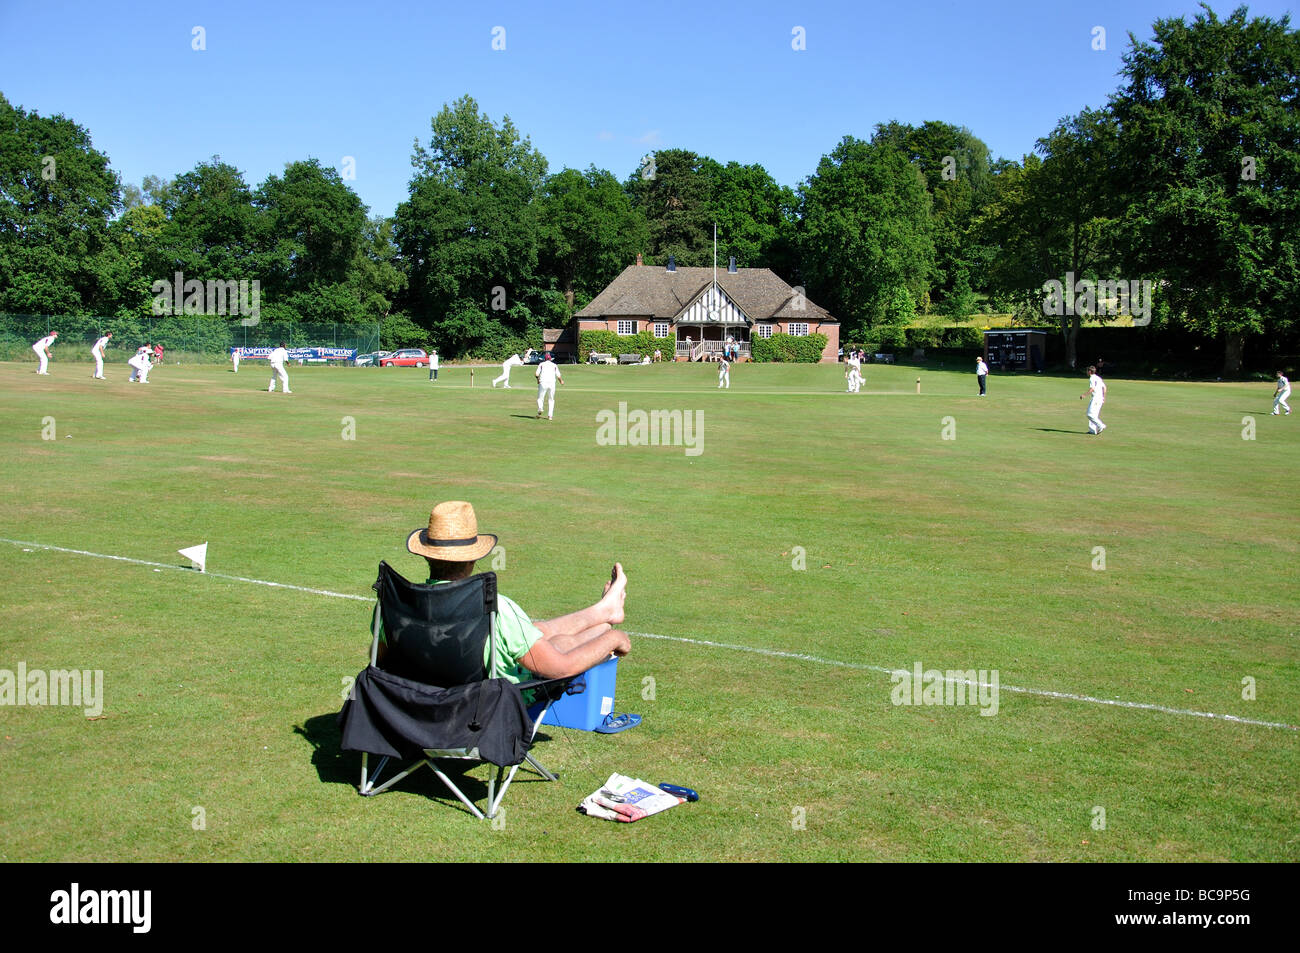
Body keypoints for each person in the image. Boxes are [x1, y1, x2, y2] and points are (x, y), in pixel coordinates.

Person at [375, 501, 631, 683]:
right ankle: (606, 623)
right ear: (473, 558)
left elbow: (381, 663)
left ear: (425, 555)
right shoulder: (494, 608)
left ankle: (603, 611)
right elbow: (560, 669)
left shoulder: (393, 605)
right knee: (557, 645)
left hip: (413, 711)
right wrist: (615, 638)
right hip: (482, 713)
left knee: (535, 631)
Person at [1080, 365, 1107, 435]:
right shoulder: (1098, 378)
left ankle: (1101, 425)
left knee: (1089, 414)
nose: (1086, 372)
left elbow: (1092, 389)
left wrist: (1084, 395)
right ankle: (1092, 430)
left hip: (1096, 399)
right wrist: (1103, 398)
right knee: (1094, 415)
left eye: (1087, 371)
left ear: (1089, 371)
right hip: (1100, 398)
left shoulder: (1092, 378)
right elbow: (1104, 388)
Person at [536, 351, 562, 419]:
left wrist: (538, 380)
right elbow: (558, 376)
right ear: (550, 359)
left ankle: (540, 408)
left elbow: (536, 374)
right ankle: (550, 415)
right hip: (552, 383)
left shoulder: (541, 364)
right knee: (551, 399)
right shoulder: (554, 365)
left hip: (543, 382)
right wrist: (561, 381)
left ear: (544, 359)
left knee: (540, 398)